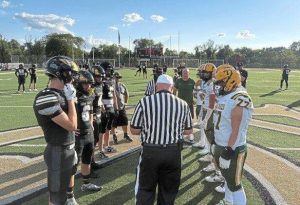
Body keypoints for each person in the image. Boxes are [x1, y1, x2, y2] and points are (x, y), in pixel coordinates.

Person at [131, 74, 193, 205]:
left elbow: (134, 130)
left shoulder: (145, 101)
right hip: (173, 152)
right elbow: (188, 130)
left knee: (145, 190)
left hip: (150, 151)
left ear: (157, 86)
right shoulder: (183, 104)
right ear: (172, 87)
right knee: (168, 192)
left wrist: (150, 127)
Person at [33, 56, 79, 205]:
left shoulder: (61, 94)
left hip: (68, 147)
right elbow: (72, 125)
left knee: (65, 190)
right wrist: (71, 100)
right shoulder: (46, 96)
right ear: (62, 73)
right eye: (71, 73)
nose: (73, 77)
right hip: (58, 151)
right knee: (57, 197)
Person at [213, 64, 253, 205]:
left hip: (233, 149)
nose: (218, 85)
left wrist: (228, 151)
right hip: (222, 144)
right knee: (228, 180)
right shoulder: (226, 96)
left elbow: (237, 128)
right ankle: (228, 201)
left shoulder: (240, 97)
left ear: (230, 81)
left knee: (235, 185)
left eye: (221, 82)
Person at [70, 70, 103, 194]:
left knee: (87, 160)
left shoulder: (91, 94)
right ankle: (69, 194)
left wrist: (90, 125)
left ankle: (86, 184)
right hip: (78, 134)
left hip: (88, 131)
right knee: (73, 164)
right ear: (78, 83)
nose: (88, 86)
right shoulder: (73, 96)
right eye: (85, 83)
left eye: (89, 83)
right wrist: (71, 128)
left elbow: (90, 110)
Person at [99, 62, 118, 153]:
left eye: (110, 70)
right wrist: (103, 109)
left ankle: (106, 145)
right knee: (102, 130)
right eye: (107, 70)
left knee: (108, 128)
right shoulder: (100, 81)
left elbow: (114, 95)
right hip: (104, 108)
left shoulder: (111, 80)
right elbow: (99, 96)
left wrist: (116, 107)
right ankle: (100, 149)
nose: (109, 71)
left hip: (111, 107)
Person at [90, 65, 107, 166]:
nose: (100, 78)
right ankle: (90, 161)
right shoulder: (90, 86)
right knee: (92, 140)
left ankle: (92, 160)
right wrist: (92, 115)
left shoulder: (100, 85)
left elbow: (99, 99)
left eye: (101, 76)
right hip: (92, 114)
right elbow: (89, 102)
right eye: (97, 76)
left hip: (99, 113)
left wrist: (102, 107)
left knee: (96, 137)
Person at [173, 68, 195, 143]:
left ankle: (191, 136)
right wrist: (174, 99)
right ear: (181, 73)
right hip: (180, 105)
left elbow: (195, 92)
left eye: (186, 73)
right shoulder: (178, 81)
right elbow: (174, 90)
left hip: (189, 104)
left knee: (190, 120)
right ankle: (180, 136)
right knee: (179, 120)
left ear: (189, 74)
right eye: (183, 73)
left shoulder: (192, 82)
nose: (185, 75)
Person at [111, 71, 133, 144]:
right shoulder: (110, 86)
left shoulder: (122, 85)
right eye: (116, 77)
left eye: (119, 78)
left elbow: (126, 94)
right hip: (113, 108)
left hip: (121, 107)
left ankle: (125, 135)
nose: (117, 79)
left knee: (125, 121)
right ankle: (114, 136)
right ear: (113, 77)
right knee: (113, 123)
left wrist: (126, 102)